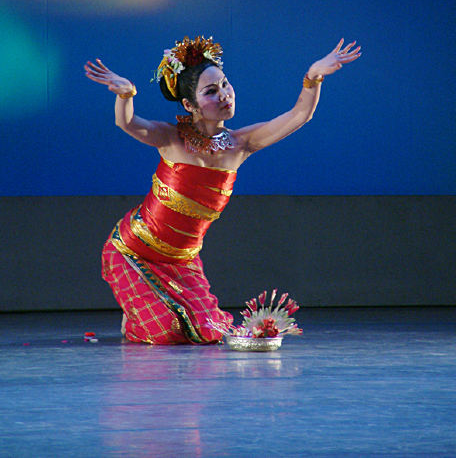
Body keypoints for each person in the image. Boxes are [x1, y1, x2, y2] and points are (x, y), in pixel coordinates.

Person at [84, 35, 361, 344]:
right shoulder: (171, 139)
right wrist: (126, 95)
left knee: (208, 332)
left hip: (183, 260)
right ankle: (135, 315)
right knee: (166, 332)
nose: (225, 95)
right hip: (133, 250)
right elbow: (127, 123)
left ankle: (148, 307)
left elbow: (300, 115)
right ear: (189, 105)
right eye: (211, 91)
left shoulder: (241, 145)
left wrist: (314, 76)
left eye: (225, 85)